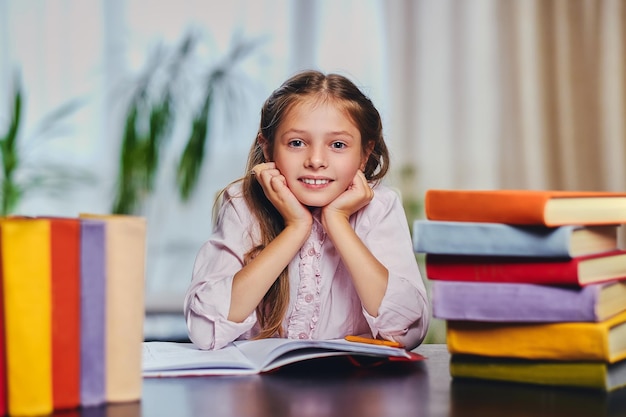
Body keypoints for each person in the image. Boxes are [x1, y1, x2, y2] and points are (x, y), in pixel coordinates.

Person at [184, 70, 430, 350]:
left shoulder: (380, 207)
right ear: (267, 148)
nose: (315, 160)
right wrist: (295, 228)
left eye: (338, 145)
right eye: (297, 143)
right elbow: (205, 330)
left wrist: (337, 221)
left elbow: (407, 330)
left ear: (364, 154)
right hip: (259, 389)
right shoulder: (242, 204)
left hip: (353, 388)